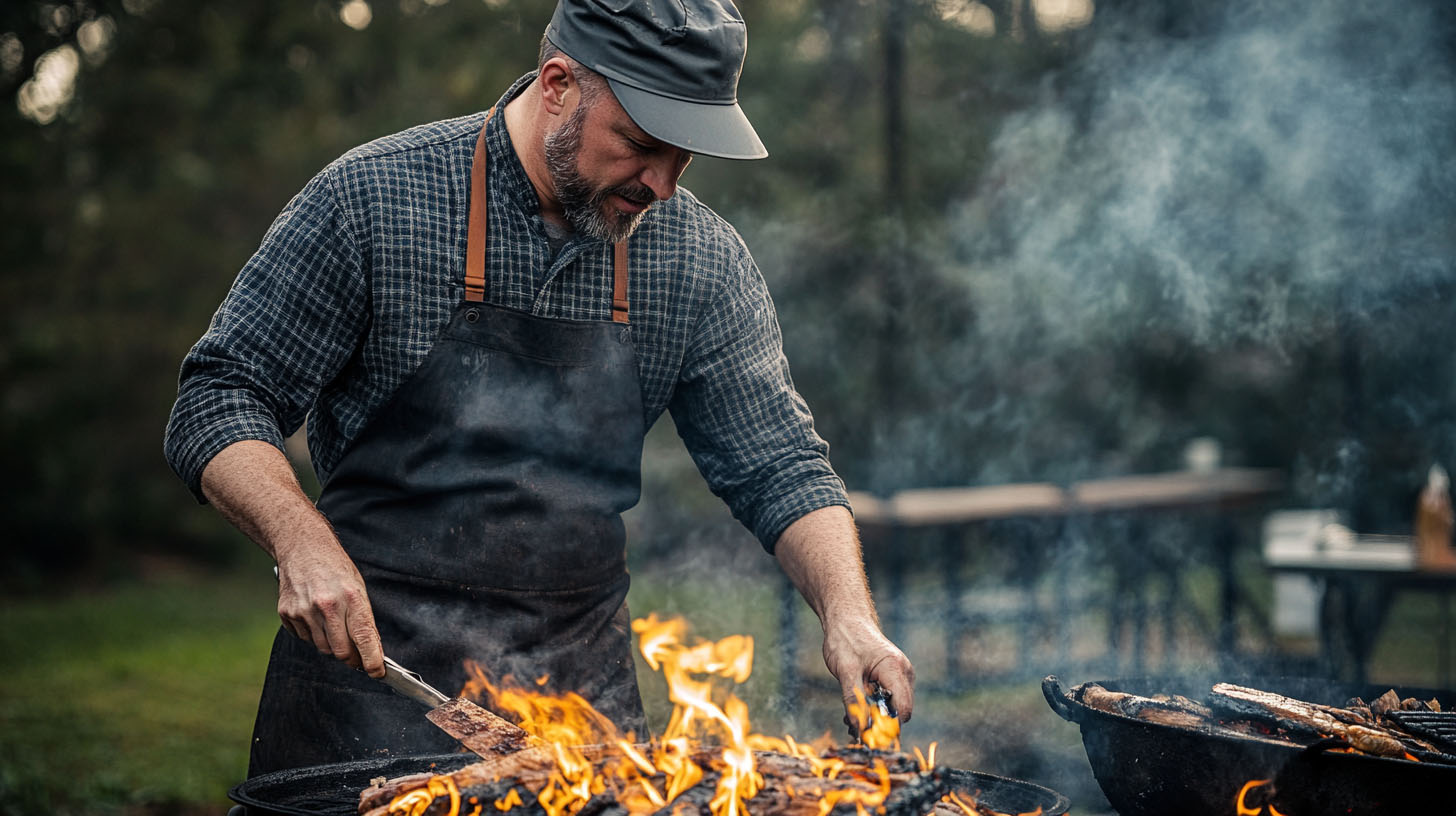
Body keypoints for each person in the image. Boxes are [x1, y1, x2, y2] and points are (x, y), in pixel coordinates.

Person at [164, 0, 914, 776]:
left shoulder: (699, 260)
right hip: (370, 691)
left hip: (580, 725)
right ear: (557, 85)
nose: (661, 183)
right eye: (640, 145)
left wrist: (851, 618)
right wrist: (301, 540)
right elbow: (219, 396)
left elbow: (779, 465)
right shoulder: (373, 200)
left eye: (684, 156)